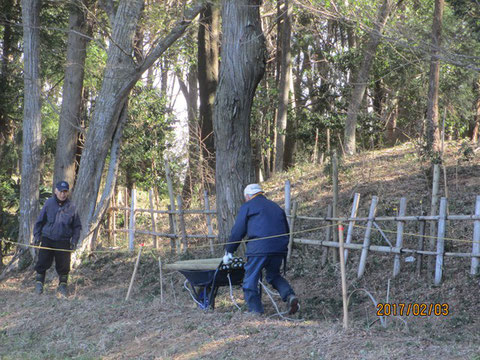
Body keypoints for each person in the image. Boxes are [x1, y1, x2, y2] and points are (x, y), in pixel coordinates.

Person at [223, 183, 299, 315]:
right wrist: (283, 247)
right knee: (274, 275)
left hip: (258, 249)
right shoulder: (276, 206)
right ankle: (289, 296)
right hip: (279, 248)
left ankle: (255, 311)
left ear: (248, 196)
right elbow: (286, 229)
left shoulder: (248, 206)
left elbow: (238, 231)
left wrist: (229, 250)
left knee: (250, 278)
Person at [33, 181, 82, 296]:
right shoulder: (49, 203)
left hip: (63, 240)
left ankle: (62, 286)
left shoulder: (72, 207)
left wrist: (74, 240)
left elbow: (77, 226)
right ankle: (39, 284)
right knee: (42, 262)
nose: (63, 194)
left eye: (65, 192)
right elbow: (40, 221)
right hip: (47, 238)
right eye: (61, 191)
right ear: (56, 191)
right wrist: (37, 236)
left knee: (64, 265)